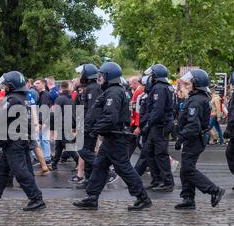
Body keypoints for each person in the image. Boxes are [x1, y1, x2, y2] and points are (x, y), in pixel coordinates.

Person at [73, 62, 152, 211]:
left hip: (116, 137)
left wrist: (95, 130)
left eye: (102, 75)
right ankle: (92, 197)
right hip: (111, 137)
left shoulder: (114, 92)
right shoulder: (112, 91)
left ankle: (142, 197)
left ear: (108, 76)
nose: (100, 78)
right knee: (100, 166)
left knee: (123, 168)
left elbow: (110, 117)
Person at [0, 71, 46, 211]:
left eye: (6, 85)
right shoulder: (23, 97)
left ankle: (36, 199)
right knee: (1, 170)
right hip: (16, 139)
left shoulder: (12, 99)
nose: (4, 87)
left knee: (20, 171)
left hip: (14, 141)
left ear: (12, 85)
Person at [174, 69, 225, 209]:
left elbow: (193, 125)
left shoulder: (196, 100)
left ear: (196, 83)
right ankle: (188, 199)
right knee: (185, 169)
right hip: (194, 138)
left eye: (189, 83)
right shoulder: (198, 97)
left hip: (194, 139)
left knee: (188, 169)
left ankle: (214, 190)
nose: (187, 85)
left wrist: (181, 138)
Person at [142, 64, 175, 192]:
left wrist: (148, 124)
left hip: (160, 125)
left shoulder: (159, 88)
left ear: (156, 75)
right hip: (157, 125)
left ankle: (167, 181)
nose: (150, 77)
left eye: (151, 75)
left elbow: (157, 110)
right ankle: (156, 179)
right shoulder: (163, 87)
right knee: (149, 152)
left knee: (160, 154)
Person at [50, 81, 78, 170]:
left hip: (62, 125)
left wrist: (52, 127)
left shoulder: (60, 99)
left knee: (67, 145)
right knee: (58, 145)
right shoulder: (71, 99)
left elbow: (55, 113)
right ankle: (54, 164)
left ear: (61, 88)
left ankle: (78, 161)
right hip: (68, 124)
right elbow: (74, 113)